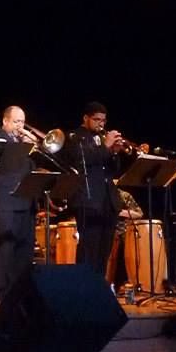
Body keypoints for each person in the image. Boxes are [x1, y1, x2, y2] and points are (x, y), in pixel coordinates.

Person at [60, 101, 123, 276]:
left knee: (104, 252)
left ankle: (98, 286)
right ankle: (84, 286)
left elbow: (113, 170)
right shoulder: (75, 137)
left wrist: (115, 153)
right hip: (87, 201)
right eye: (96, 120)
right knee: (89, 250)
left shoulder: (102, 138)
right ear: (85, 118)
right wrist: (106, 147)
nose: (100, 124)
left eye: (103, 120)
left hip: (108, 202)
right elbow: (83, 160)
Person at [0, 106, 36, 300]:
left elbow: (30, 168)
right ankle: (3, 292)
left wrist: (32, 150)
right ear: (5, 121)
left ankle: (21, 291)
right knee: (6, 248)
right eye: (16, 122)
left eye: (22, 122)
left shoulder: (24, 143)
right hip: (6, 201)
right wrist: (24, 147)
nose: (20, 127)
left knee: (25, 248)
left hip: (26, 200)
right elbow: (2, 162)